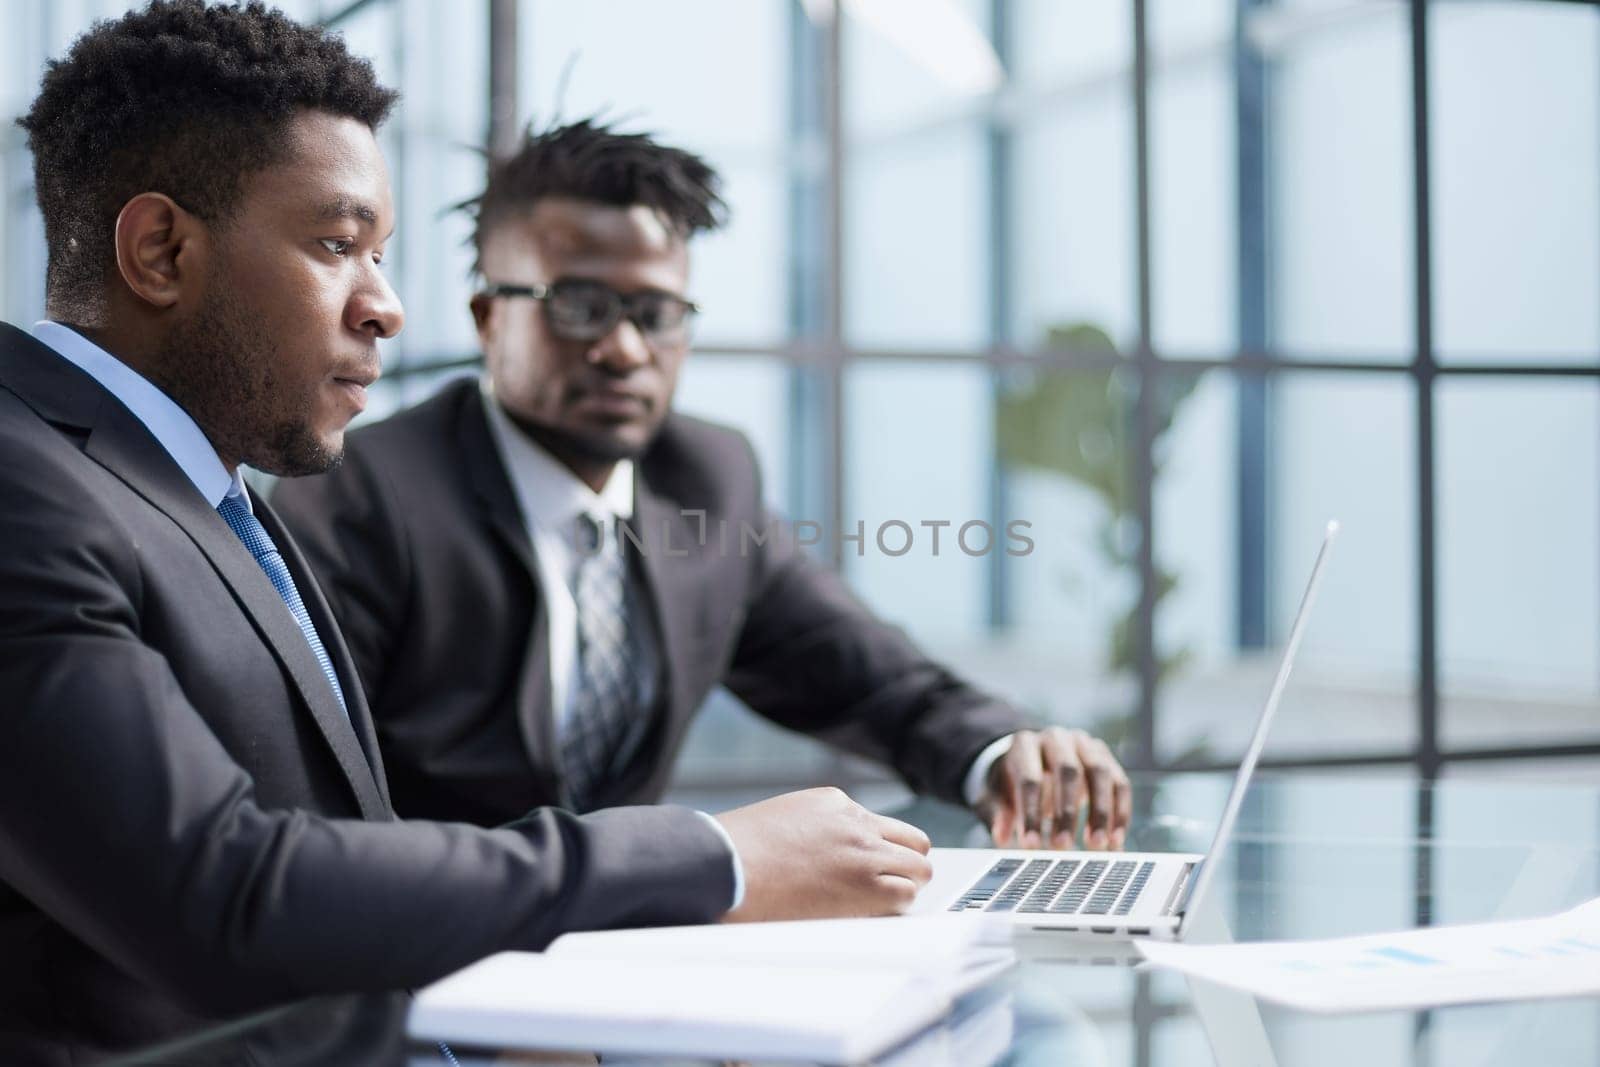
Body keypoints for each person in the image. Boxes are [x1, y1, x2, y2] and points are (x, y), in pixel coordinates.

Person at [0, 4, 929, 1059]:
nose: (387, 307)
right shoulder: (27, 486)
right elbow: (227, 892)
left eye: (381, 254)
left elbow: (342, 855)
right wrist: (711, 855)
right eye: (338, 244)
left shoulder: (207, 487)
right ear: (161, 249)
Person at [271, 119, 1133, 853]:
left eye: (656, 313)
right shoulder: (358, 497)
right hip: (421, 982)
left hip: (634, 970)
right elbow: (319, 830)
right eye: (578, 306)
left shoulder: (708, 481)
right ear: (489, 317)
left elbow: (870, 678)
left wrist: (1004, 751)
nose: (625, 350)